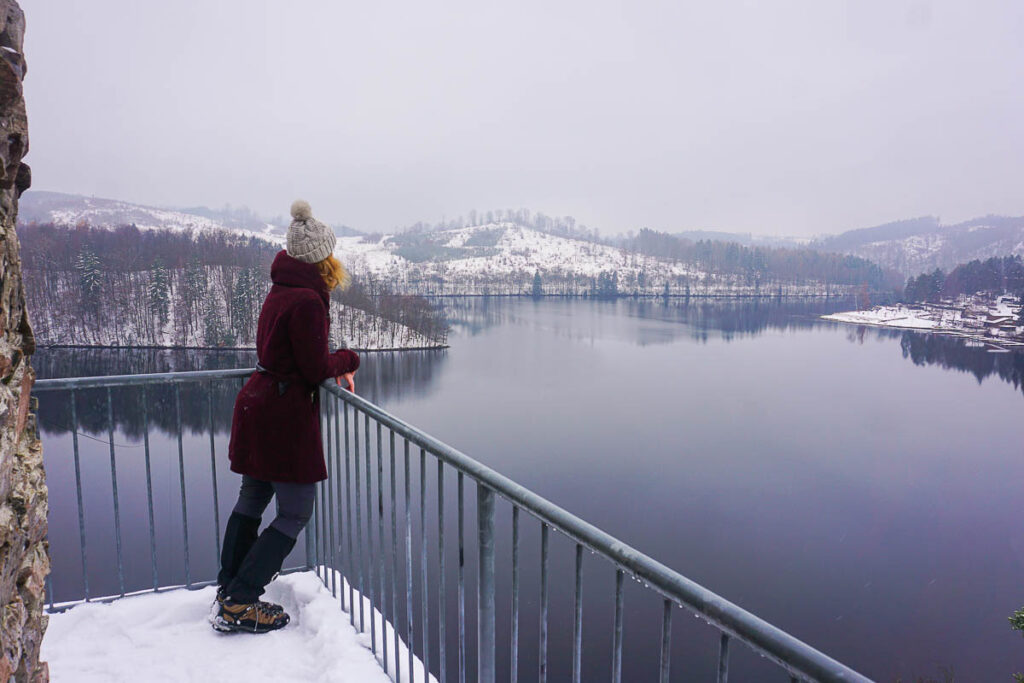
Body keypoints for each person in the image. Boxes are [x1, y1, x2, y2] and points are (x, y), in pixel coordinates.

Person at [211, 199, 360, 634]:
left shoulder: (280, 288)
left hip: (257, 404)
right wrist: (349, 358)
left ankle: (229, 588)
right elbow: (314, 369)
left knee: (252, 500)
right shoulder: (308, 301)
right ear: (322, 256)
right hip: (282, 416)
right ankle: (240, 601)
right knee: (294, 512)